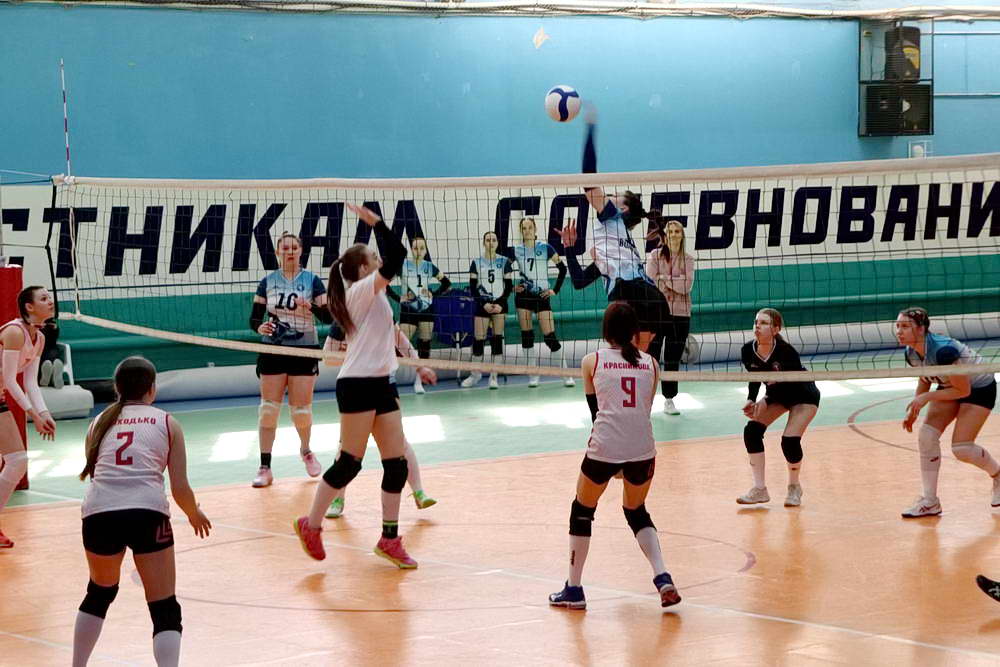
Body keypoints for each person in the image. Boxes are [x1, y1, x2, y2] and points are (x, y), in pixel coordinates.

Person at [295, 204, 437, 569]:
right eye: (373, 257)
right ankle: (311, 524)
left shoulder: (375, 294)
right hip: (357, 384)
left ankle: (389, 539)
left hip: (382, 383)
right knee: (349, 463)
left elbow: (390, 333)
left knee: (397, 465)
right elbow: (399, 255)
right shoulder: (360, 290)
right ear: (362, 269)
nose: (379, 260)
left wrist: (417, 364)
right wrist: (375, 223)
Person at [73, 357, 211, 667]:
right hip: (146, 512)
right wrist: (194, 513)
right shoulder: (166, 422)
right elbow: (180, 487)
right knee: (164, 608)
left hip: (98, 513)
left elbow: (97, 475)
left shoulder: (98, 422)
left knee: (99, 593)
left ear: (117, 388)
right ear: (152, 389)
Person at [549, 301, 681, 610]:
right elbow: (642, 410)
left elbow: (596, 412)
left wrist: (614, 457)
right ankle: (662, 576)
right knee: (636, 510)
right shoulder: (652, 364)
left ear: (606, 330)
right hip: (642, 449)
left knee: (582, 510)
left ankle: (574, 589)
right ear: (635, 331)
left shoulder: (591, 361)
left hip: (606, 448)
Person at [559, 107, 669, 352]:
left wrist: (589, 130)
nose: (608, 195)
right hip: (651, 298)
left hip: (629, 297)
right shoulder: (617, 245)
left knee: (627, 358)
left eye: (615, 195)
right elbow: (579, 281)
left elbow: (588, 180)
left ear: (623, 208)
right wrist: (568, 249)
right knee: (645, 362)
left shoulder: (612, 218)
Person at [895, 307, 999, 518]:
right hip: (951, 385)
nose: (899, 331)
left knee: (962, 448)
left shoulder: (944, 352)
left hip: (979, 388)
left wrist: (925, 398)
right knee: (926, 436)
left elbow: (963, 391)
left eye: (905, 326)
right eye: (897, 326)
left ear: (921, 329)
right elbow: (925, 377)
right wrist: (916, 407)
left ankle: (998, 475)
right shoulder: (911, 353)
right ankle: (930, 501)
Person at [324, 325, 437, 518]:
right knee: (347, 447)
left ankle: (419, 492)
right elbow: (328, 357)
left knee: (399, 442)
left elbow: (403, 342)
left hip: (385, 385)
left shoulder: (384, 315)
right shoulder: (344, 318)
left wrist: (420, 367)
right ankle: (337, 499)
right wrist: (354, 353)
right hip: (355, 386)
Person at [248, 232, 329, 488]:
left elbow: (328, 317)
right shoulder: (267, 282)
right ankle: (265, 467)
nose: (290, 252)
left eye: (294, 247)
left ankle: (306, 451)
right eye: (285, 248)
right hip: (273, 349)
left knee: (301, 411)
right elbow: (254, 318)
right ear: (278, 252)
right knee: (268, 410)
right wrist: (259, 327)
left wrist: (310, 307)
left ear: (301, 251)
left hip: (304, 349)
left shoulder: (313, 281)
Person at [738, 308, 820, 508]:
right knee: (752, 431)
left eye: (764, 323)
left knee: (789, 441)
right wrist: (751, 400)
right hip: (777, 394)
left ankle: (794, 487)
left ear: (775, 329)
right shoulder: (747, 350)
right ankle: (760, 489)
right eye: (756, 322)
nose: (758, 326)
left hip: (803, 395)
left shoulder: (786, 352)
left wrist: (765, 402)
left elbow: (790, 387)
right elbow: (755, 377)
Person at [0, 286, 57, 548]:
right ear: (29, 307)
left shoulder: (39, 338)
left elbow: (30, 382)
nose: (50, 301)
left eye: (49, 297)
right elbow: (11, 380)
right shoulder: (14, 332)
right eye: (44, 298)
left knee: (17, 459)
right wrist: (33, 414)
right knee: (16, 459)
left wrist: (44, 413)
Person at [507, 217, 574, 388]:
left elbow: (563, 269)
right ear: (521, 231)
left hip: (542, 296)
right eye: (524, 228)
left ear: (535, 229)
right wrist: (511, 287)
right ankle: (533, 375)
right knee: (527, 335)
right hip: (523, 297)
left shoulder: (545, 247)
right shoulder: (516, 250)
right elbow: (503, 270)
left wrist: (554, 290)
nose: (527, 231)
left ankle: (566, 374)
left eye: (530, 227)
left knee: (550, 337)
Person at [645, 219, 696, 416]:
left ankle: (669, 399)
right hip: (657, 313)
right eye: (670, 231)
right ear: (665, 236)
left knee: (672, 359)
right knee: (651, 357)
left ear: (682, 235)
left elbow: (686, 287)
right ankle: (646, 399)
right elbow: (650, 281)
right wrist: (675, 280)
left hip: (681, 315)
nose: (674, 235)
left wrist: (664, 279)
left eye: (677, 231)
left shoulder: (688, 260)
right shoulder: (655, 255)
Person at [389, 236, 451, 395]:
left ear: (425, 250)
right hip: (408, 310)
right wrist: (399, 298)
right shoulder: (403, 266)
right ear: (411, 249)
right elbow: (385, 284)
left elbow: (447, 283)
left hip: (426, 309)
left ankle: (419, 381)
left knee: (425, 343)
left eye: (422, 248)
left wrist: (433, 293)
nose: (419, 251)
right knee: (400, 345)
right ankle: (390, 377)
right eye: (416, 248)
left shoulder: (429, 267)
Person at [462, 231, 513, 390]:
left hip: (499, 304)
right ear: (484, 243)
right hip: (482, 304)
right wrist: (483, 304)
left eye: (494, 240)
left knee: (497, 339)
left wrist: (500, 304)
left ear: (497, 243)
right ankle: (475, 375)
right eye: (488, 240)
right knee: (479, 340)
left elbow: (509, 286)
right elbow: (473, 287)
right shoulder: (476, 262)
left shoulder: (504, 261)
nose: (491, 242)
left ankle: (494, 377)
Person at [38, 316, 65, 389]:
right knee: (49, 355)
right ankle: (51, 378)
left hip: (49, 349)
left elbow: (53, 340)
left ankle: (47, 379)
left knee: (50, 355)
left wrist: (54, 329)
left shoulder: (51, 326)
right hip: (42, 350)